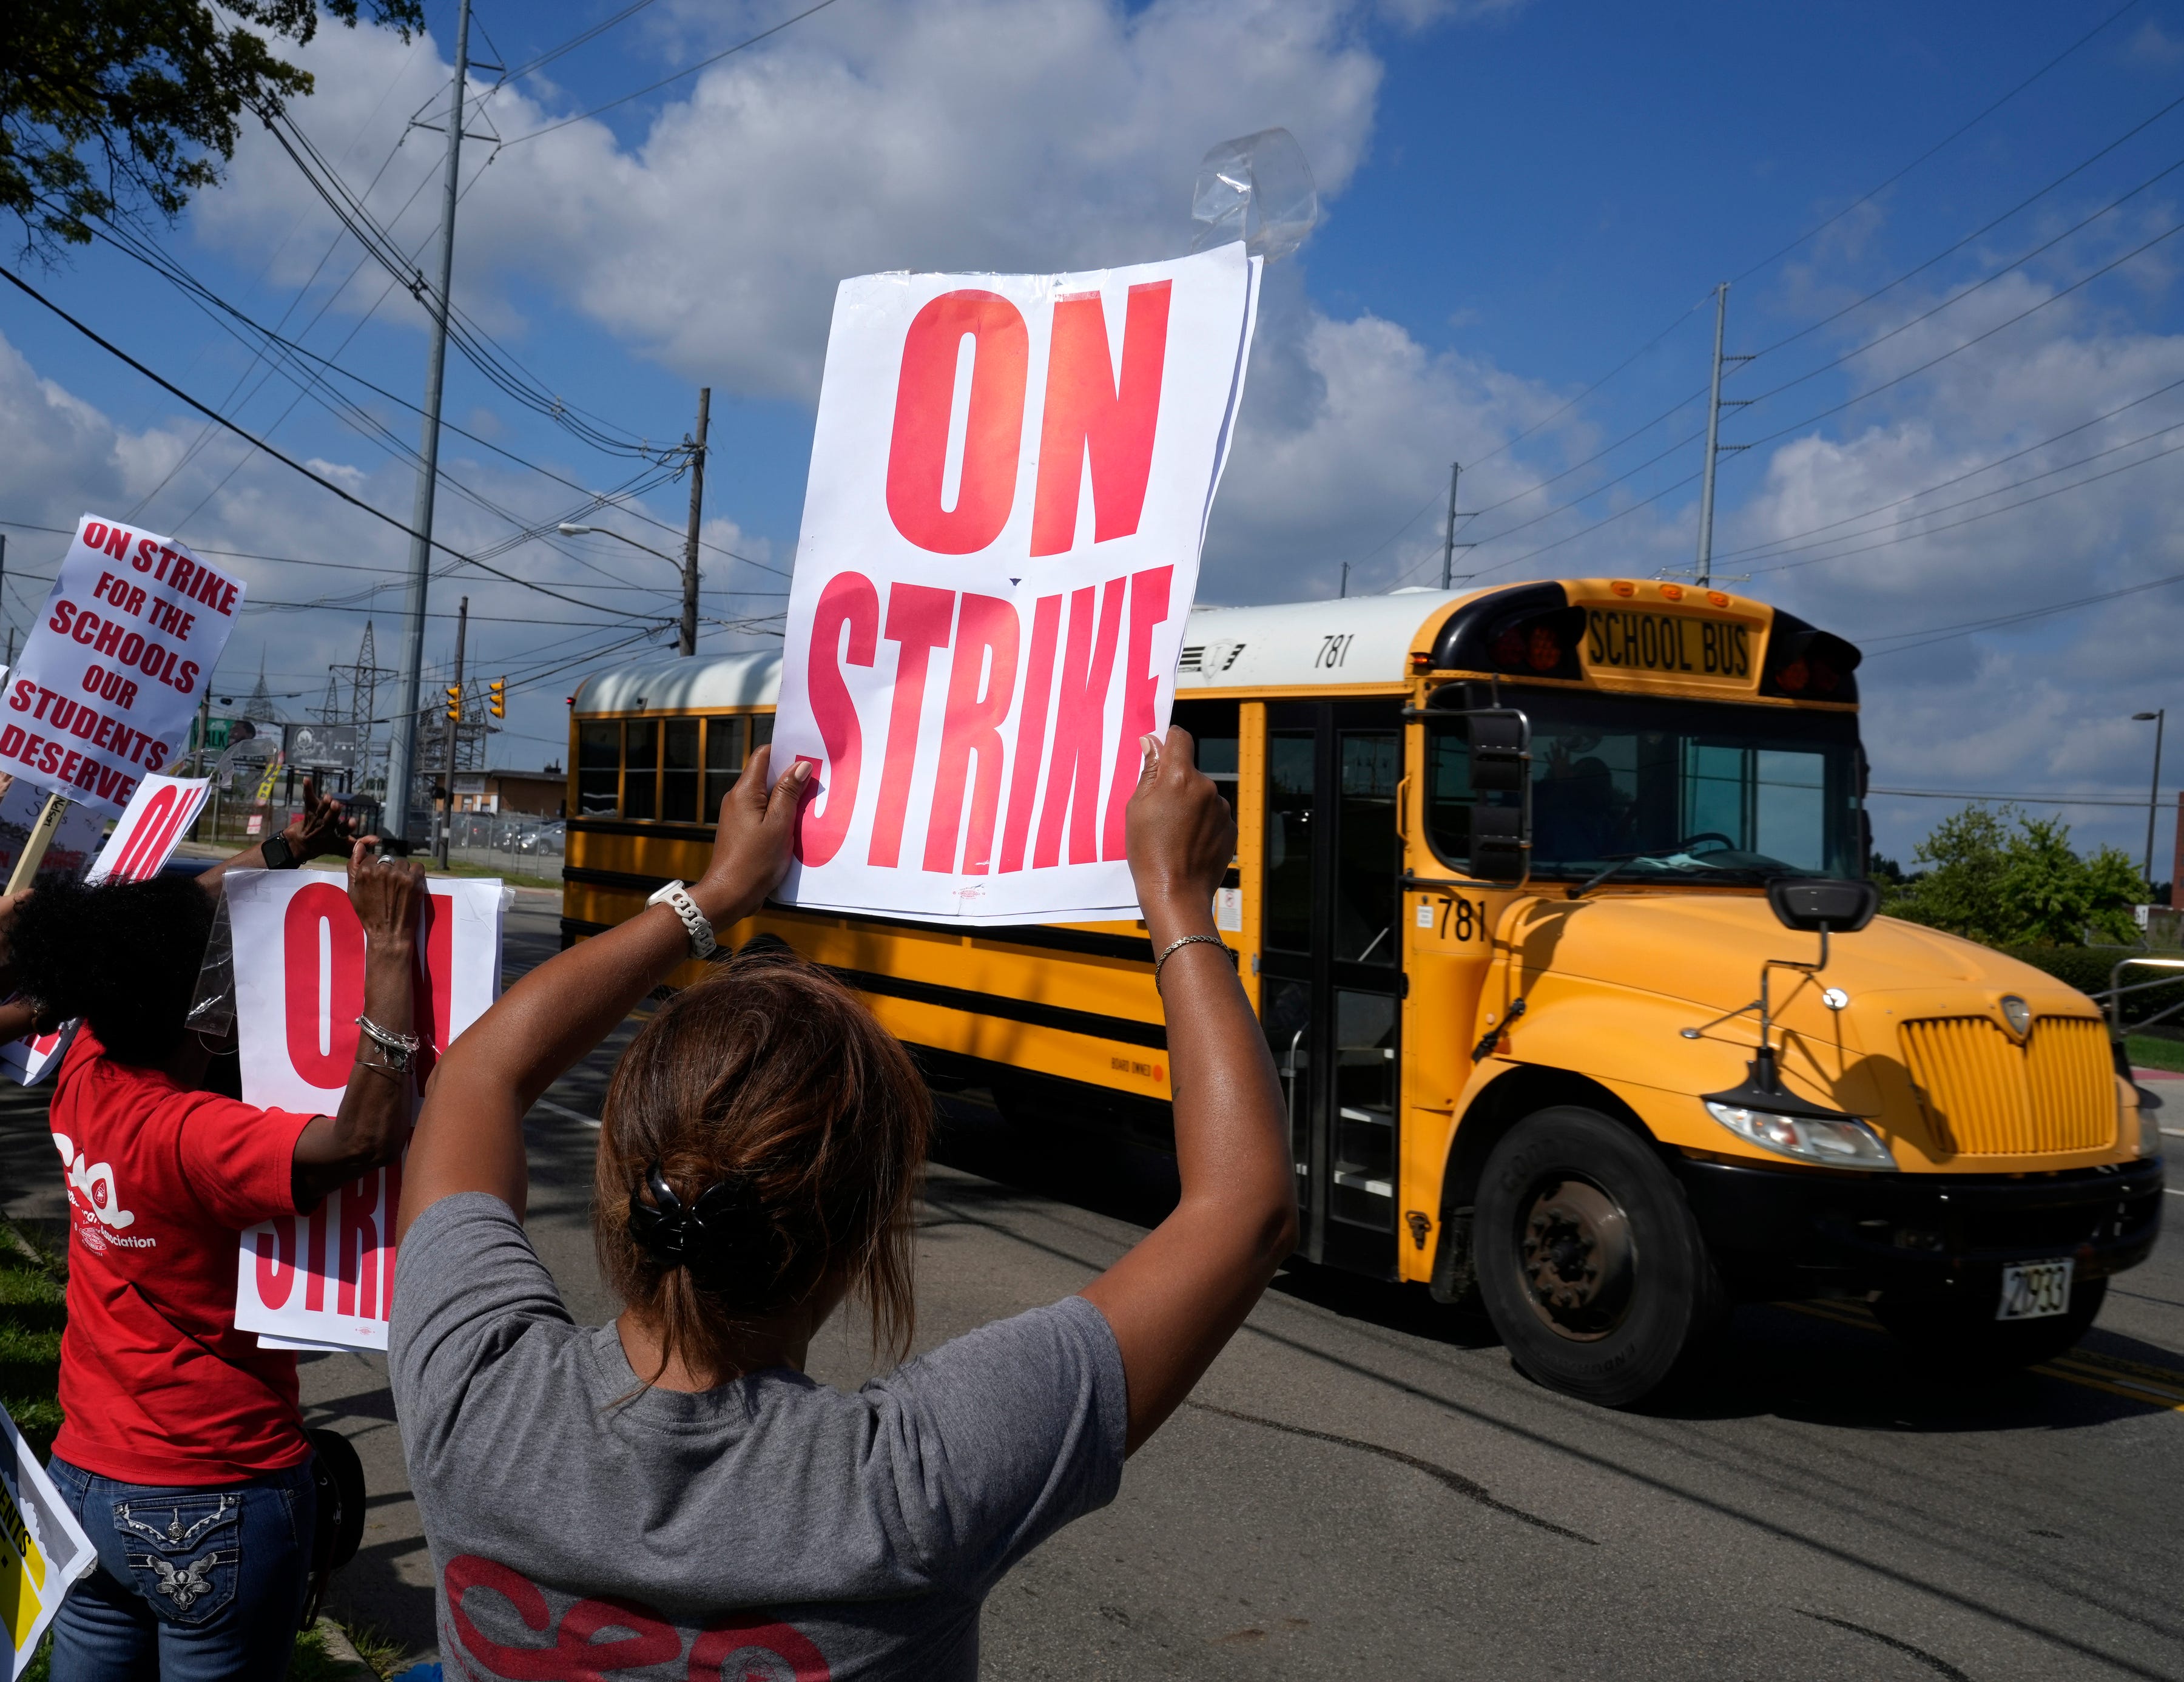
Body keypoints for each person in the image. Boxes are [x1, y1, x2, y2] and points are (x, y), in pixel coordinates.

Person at [389, 731, 1295, 1678]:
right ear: (863, 1236)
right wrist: (1177, 896)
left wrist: (716, 895)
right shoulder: (910, 1488)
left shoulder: (473, 1396)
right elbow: (1244, 1209)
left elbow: (476, 1080)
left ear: (621, 1179)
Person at [11, 789, 427, 1682]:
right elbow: (363, 1135)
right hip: (215, 1492)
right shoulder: (190, 1136)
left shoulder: (87, 1071)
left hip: (85, 1475)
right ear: (196, 1002)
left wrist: (284, 850)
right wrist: (391, 945)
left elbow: (165, 918)